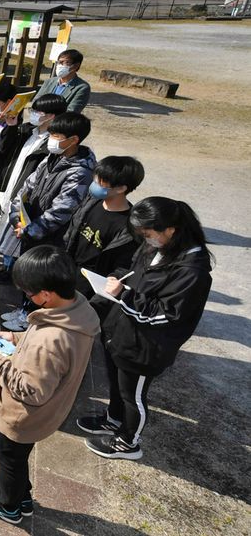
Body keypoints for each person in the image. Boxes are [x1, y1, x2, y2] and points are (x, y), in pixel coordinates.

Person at [0, 246, 100, 525]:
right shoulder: (76, 308)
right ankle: (17, 492)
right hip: (44, 416)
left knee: (8, 456)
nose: (27, 297)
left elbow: (31, 391)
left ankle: (8, 505)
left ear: (46, 294)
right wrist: (14, 337)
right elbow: (41, 334)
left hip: (21, 416)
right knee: (15, 459)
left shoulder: (50, 343)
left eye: (29, 293)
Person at [77, 197, 212, 461]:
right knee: (116, 384)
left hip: (146, 346)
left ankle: (128, 443)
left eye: (148, 234)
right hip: (122, 332)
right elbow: (134, 274)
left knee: (133, 395)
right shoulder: (158, 247)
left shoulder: (192, 272)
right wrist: (118, 281)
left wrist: (125, 296)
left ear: (170, 230)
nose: (144, 240)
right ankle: (113, 420)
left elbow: (167, 314)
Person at [3, 113, 96, 330]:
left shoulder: (80, 171)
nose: (51, 139)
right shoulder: (52, 158)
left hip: (51, 237)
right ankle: (24, 309)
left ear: (74, 139)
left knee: (41, 278)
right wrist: (17, 217)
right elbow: (27, 187)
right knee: (29, 275)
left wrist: (29, 231)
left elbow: (61, 211)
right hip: (29, 227)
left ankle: (31, 318)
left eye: (56, 135)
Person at [0, 93, 68, 285]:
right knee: (5, 226)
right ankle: (5, 265)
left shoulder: (53, 144)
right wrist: (10, 126)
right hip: (9, 183)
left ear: (52, 116)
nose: (33, 114)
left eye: (38, 111)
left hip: (26, 193)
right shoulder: (26, 131)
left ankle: (13, 270)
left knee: (17, 230)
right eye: (33, 110)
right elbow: (3, 148)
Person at [64, 156, 145, 308]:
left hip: (89, 287)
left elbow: (122, 267)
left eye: (100, 182)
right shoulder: (91, 202)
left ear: (121, 188)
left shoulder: (129, 228)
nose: (94, 184)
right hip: (68, 271)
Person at [34, 49, 91, 114]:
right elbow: (36, 102)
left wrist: (48, 117)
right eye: (59, 62)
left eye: (65, 62)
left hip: (59, 122)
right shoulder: (49, 81)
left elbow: (71, 111)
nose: (60, 66)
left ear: (76, 66)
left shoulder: (82, 87)